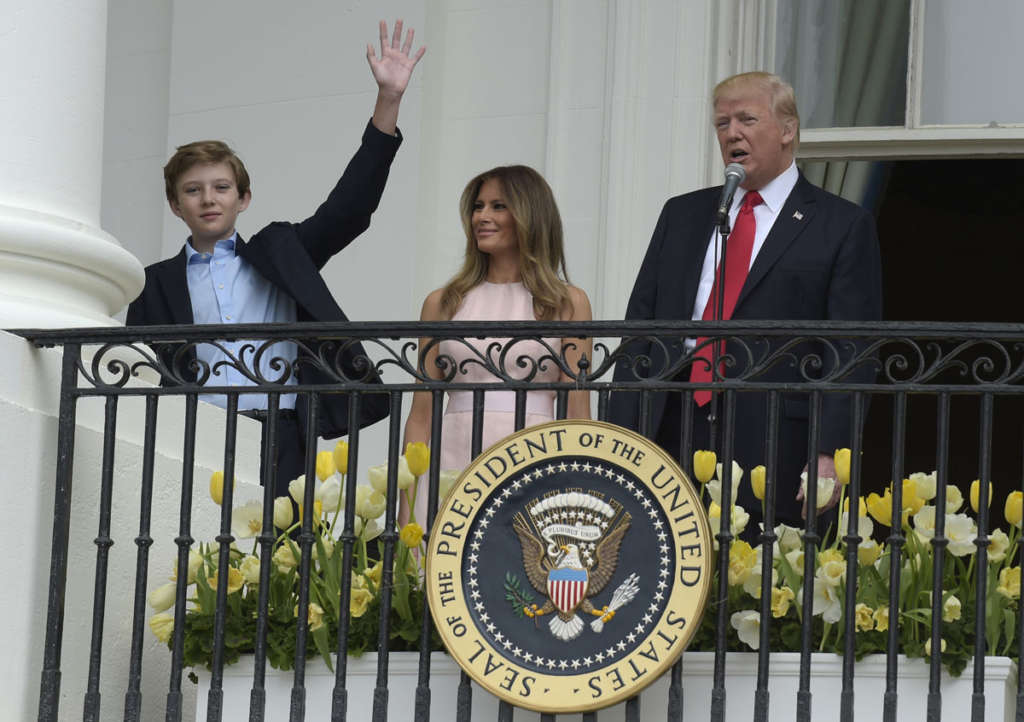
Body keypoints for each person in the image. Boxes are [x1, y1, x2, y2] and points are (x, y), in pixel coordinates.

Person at [126, 20, 425, 498]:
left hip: (281, 430)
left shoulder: (280, 252)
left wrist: (388, 101)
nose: (209, 198)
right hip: (194, 433)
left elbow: (349, 209)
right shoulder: (153, 284)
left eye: (221, 187)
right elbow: (136, 375)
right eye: (193, 190)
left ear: (243, 198)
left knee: (282, 542)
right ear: (175, 205)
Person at [609, 71, 882, 528]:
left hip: (773, 435)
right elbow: (641, 327)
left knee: (760, 565)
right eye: (722, 123)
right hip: (672, 422)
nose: (732, 133)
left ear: (788, 130)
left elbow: (852, 348)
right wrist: (621, 437)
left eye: (747, 119)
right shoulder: (683, 214)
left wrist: (830, 452)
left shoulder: (842, 224)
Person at [403, 165, 592, 521]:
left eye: (498, 206)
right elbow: (420, 417)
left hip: (535, 458)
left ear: (529, 215)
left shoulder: (567, 302)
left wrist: (574, 502)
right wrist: (408, 515)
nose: (482, 217)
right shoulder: (443, 302)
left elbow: (577, 415)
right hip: (453, 455)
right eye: (478, 206)